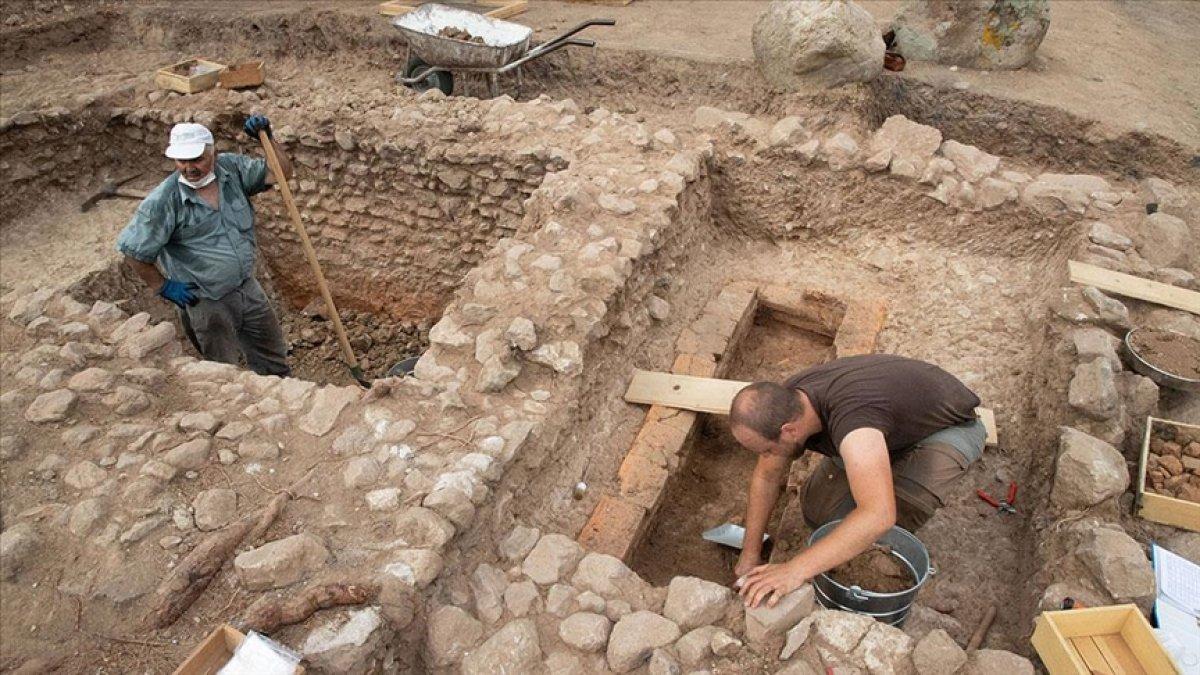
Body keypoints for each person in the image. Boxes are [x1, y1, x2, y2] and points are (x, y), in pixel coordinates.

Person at [727, 354, 986, 609]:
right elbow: (767, 476)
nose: (766, 457)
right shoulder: (788, 403)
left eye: (768, 450)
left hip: (945, 430)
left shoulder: (854, 423)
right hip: (885, 428)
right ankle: (881, 464)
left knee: (883, 523)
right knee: (821, 515)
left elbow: (879, 515)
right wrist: (750, 554)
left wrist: (793, 571)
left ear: (788, 430)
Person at [116, 116, 293, 376]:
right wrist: (161, 286)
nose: (189, 168)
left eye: (197, 159)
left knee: (272, 352)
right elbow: (133, 250)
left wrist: (267, 139)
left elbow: (281, 172)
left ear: (214, 153)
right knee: (221, 368)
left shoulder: (231, 170)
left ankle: (278, 386)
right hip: (207, 300)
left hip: (246, 286)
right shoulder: (163, 202)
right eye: (182, 161)